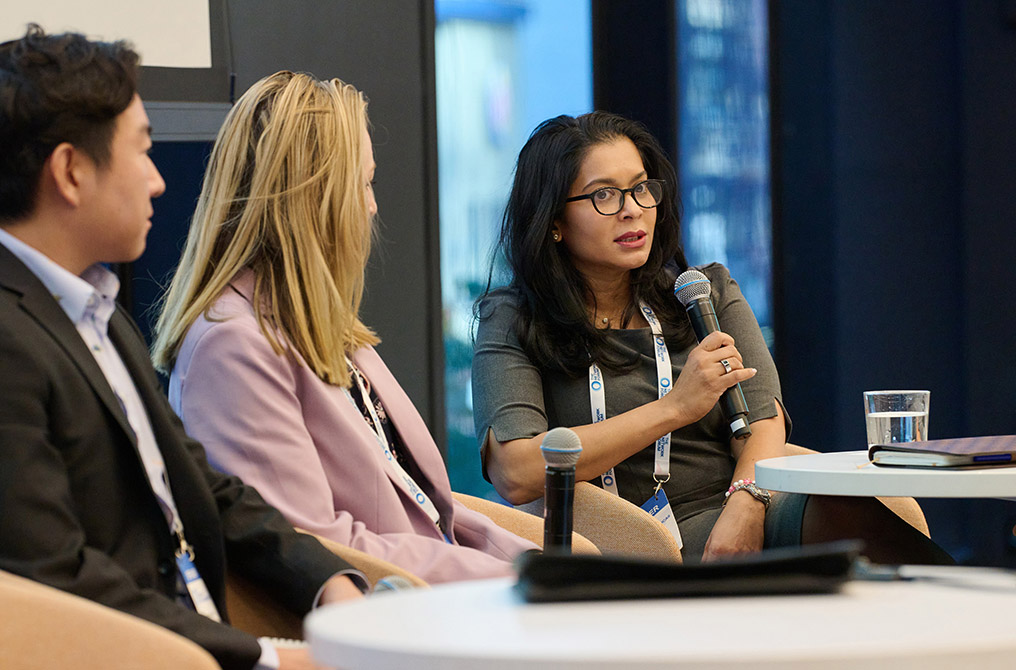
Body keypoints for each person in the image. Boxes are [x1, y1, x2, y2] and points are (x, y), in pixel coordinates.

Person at [0, 26, 365, 670]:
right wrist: (266, 659)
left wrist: (326, 580)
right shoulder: (9, 339)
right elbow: (55, 574)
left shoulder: (98, 314)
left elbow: (203, 486)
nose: (159, 181)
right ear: (70, 171)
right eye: (141, 151)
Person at [471, 111, 952, 564]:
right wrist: (674, 408)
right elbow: (517, 472)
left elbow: (765, 422)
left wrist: (746, 507)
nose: (632, 211)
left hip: (739, 506)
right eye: (604, 195)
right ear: (554, 221)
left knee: (836, 516)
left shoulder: (705, 292)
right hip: (621, 538)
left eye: (641, 189)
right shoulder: (514, 318)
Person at [151, 71, 538, 585]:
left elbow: (425, 510)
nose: (373, 205)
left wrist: (538, 565)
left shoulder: (316, 323)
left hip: (428, 594)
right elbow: (314, 546)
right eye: (365, 182)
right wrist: (504, 578)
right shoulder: (231, 346)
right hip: (384, 618)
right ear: (311, 198)